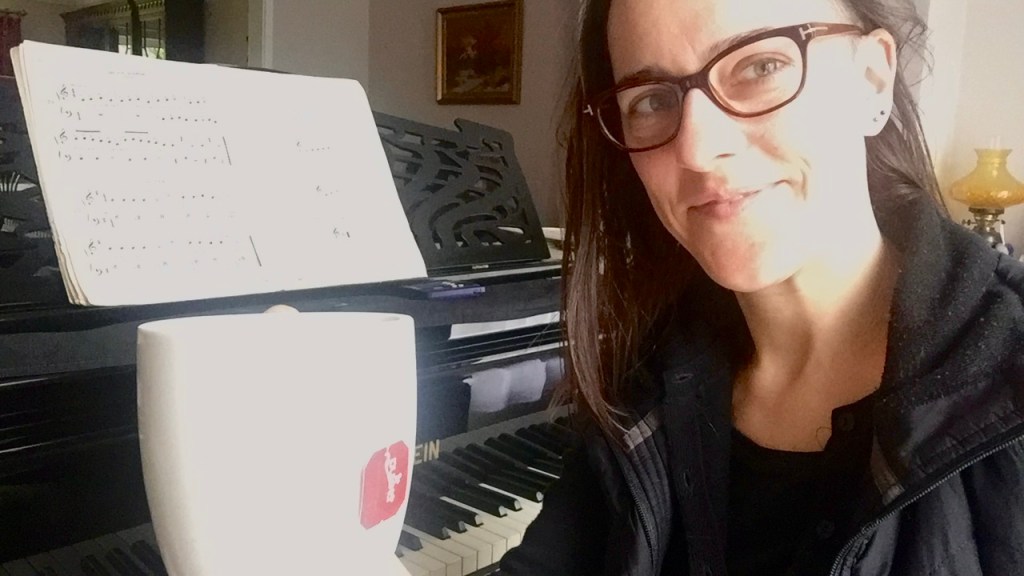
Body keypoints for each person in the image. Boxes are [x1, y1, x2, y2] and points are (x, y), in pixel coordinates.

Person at [497, 0, 1024, 574]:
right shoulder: (643, 379)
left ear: (873, 79)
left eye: (760, 66)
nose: (697, 150)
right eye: (652, 100)